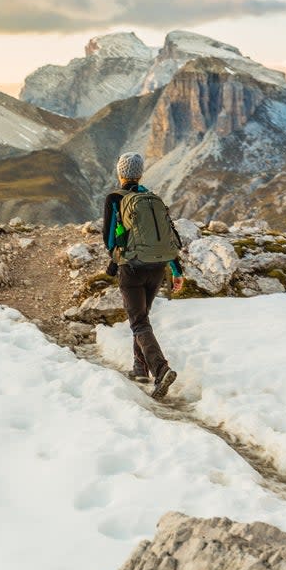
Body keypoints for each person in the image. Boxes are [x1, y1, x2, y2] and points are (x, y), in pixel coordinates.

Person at [102, 152, 184, 400]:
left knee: (138, 322)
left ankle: (161, 370)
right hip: (157, 268)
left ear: (120, 173)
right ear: (140, 173)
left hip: (132, 269)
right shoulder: (152, 198)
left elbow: (108, 239)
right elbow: (167, 238)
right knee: (142, 318)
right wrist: (176, 271)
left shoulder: (115, 198)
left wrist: (115, 257)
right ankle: (140, 369)